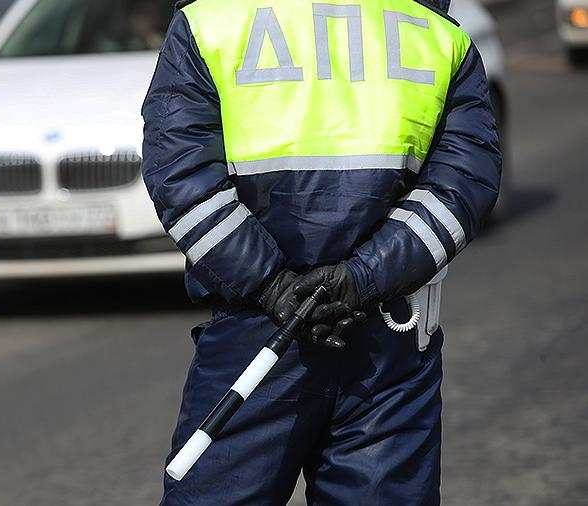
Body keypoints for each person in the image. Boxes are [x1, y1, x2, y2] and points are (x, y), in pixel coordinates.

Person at [141, 0, 501, 504]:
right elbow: (463, 183)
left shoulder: (210, 22)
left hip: (260, 333)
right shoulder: (437, 34)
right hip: (386, 335)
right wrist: (363, 277)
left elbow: (181, 178)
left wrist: (273, 286)